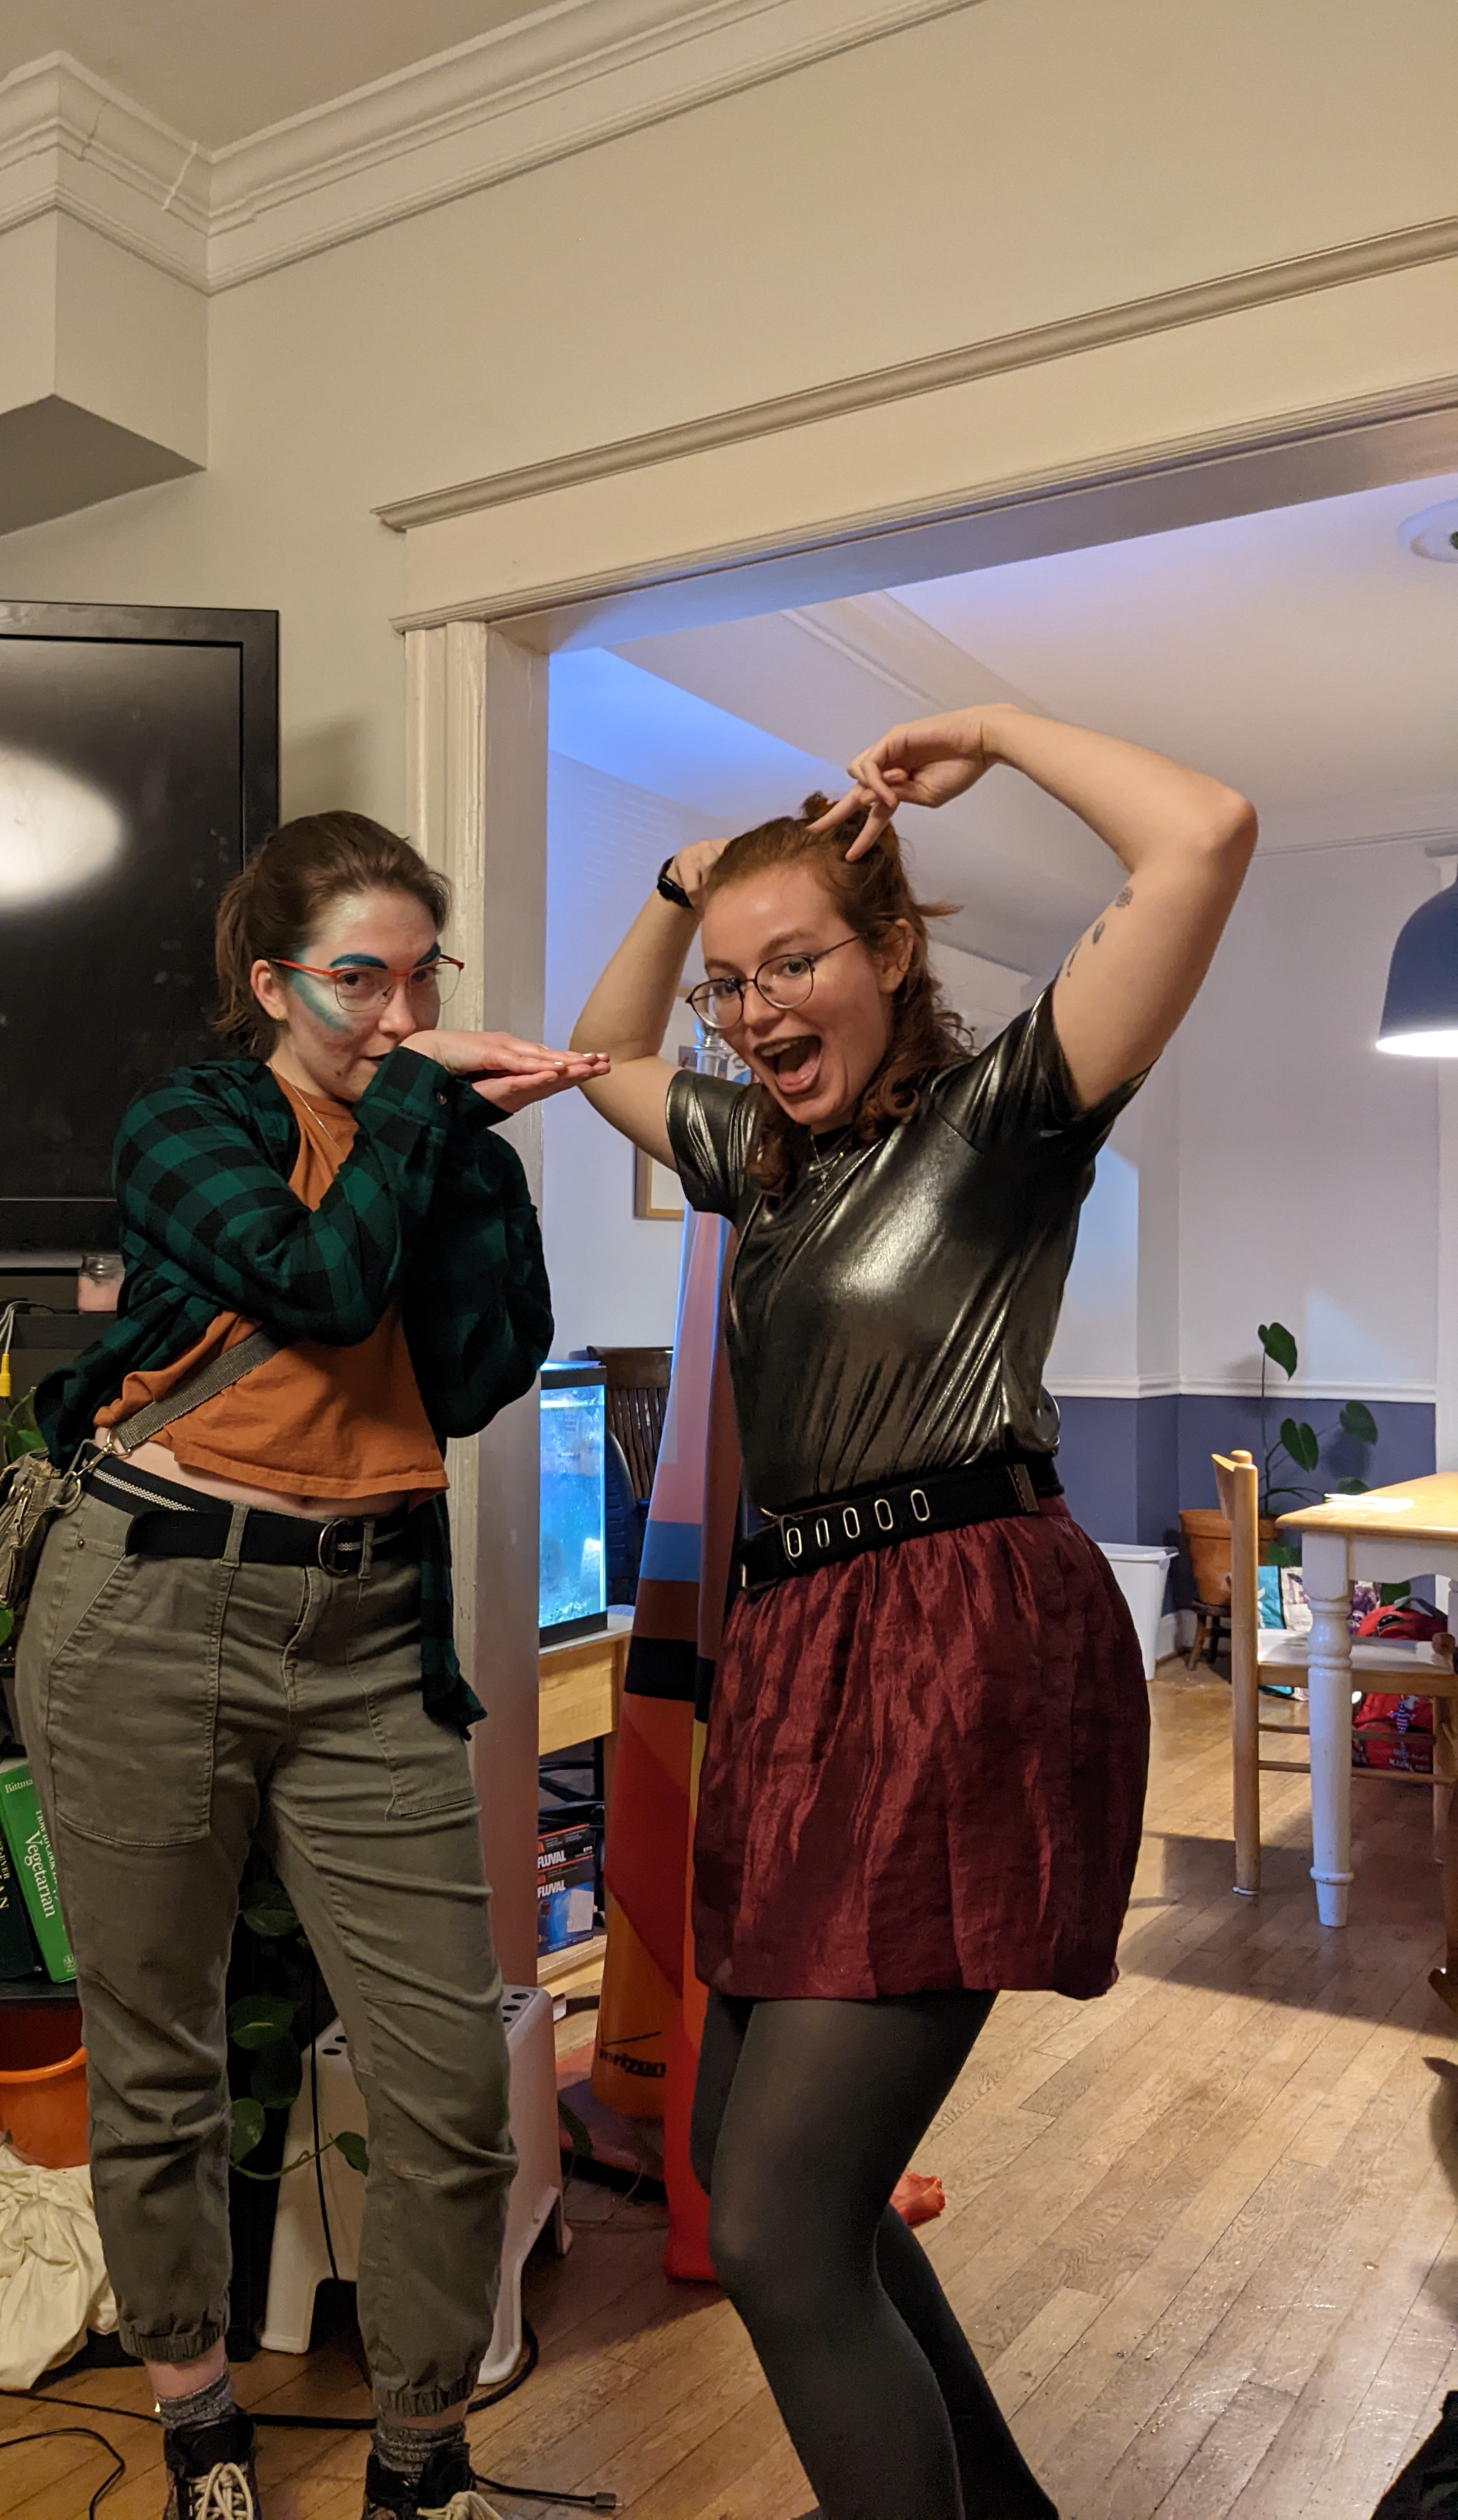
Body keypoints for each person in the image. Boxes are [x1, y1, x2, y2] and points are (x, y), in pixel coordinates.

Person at [572, 707, 1254, 2519]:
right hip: (798, 1660)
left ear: (890, 954)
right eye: (731, 985)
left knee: (786, 2236)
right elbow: (594, 1051)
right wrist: (682, 884)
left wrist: (1000, 737)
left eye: (793, 963)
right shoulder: (764, 1170)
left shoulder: (1007, 1116)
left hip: (953, 1647)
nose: (751, 1013)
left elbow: (1204, 831)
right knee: (750, 2160)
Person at [19, 810, 607, 2520]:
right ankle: (201, 2419)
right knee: (159, 2049)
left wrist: (463, 1163)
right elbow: (319, 1285)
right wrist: (421, 1119)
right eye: (363, 978)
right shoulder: (190, 1125)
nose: (402, 1018)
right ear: (274, 982)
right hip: (148, 1610)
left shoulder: (433, 1138)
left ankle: (419, 2466)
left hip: (367, 1639)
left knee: (448, 2080)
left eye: (425, 980)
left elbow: (483, 1370)